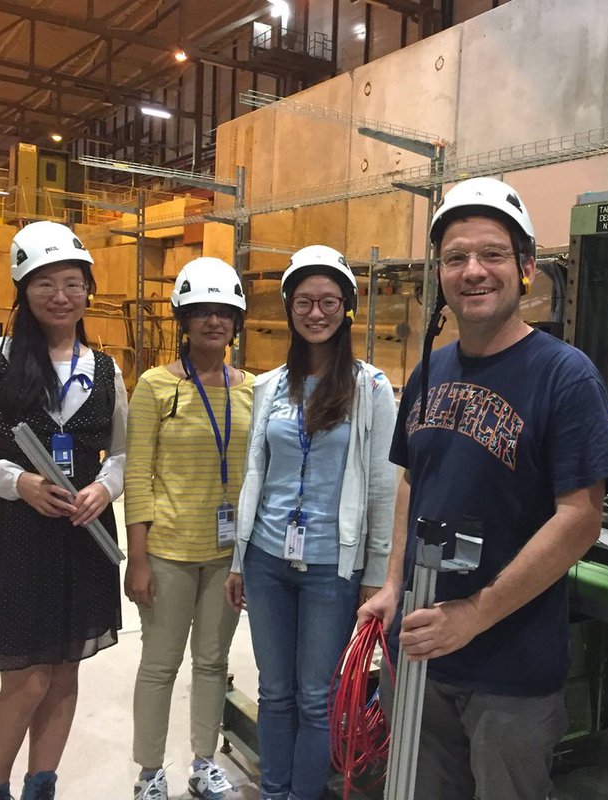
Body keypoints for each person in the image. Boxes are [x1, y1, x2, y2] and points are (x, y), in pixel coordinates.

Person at [358, 177, 608, 800]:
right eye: (456, 258)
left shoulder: (564, 375)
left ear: (526, 269)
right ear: (440, 276)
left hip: (509, 669)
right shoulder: (430, 370)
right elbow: (409, 481)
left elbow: (580, 518)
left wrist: (473, 615)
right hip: (421, 652)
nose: (473, 271)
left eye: (492, 255)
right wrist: (393, 584)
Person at [0, 220, 126, 800]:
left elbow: (122, 452)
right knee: (25, 681)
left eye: (72, 283)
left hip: (82, 533)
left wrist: (106, 488)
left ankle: (40, 788)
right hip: (14, 535)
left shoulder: (106, 368)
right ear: (22, 291)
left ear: (88, 290)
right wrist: (14, 480)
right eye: (45, 283)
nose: (61, 295)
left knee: (66, 673)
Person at [226, 244, 396, 800]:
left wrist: (376, 572)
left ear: (346, 308)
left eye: (328, 301)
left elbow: (382, 486)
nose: (316, 312)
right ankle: (274, 792)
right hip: (267, 560)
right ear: (289, 308)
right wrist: (238, 559)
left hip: (332, 568)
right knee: (274, 692)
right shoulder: (269, 385)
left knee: (316, 697)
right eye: (304, 301)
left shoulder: (371, 390)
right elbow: (255, 472)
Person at [124, 257, 255, 800]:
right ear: (183, 318)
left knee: (211, 663)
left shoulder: (252, 388)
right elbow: (137, 473)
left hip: (226, 557)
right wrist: (138, 558)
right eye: (201, 311)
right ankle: (150, 773)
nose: (213, 321)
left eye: (223, 312)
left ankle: (203, 763)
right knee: (159, 665)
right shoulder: (155, 385)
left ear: (236, 321)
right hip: (169, 552)